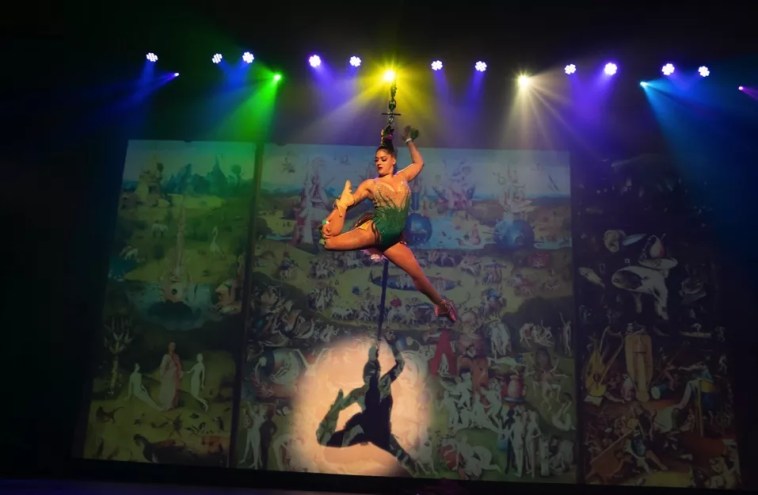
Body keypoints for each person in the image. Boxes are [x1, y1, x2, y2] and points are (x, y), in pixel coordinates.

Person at [320, 125, 457, 322]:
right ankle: (330, 222)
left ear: (393, 160)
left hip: (392, 241)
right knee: (329, 242)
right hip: (375, 232)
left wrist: (409, 141)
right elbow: (351, 202)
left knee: (418, 275)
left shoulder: (403, 177)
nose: (379, 163)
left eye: (383, 159)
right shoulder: (371, 184)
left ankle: (441, 305)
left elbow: (419, 163)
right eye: (376, 160)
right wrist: (342, 205)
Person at [316, 332, 417, 474]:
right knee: (404, 458)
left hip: (370, 430)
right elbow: (400, 364)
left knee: (404, 459)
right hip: (371, 430)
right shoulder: (376, 386)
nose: (371, 375)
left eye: (372, 372)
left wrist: (336, 407)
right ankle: (415, 472)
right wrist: (391, 343)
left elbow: (399, 365)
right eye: (370, 373)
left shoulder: (373, 387)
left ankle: (416, 474)